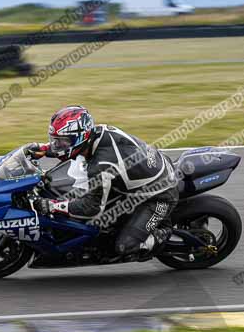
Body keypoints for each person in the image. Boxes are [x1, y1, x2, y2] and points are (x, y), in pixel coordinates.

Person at [26, 106, 178, 261]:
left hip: (160, 195)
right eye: (54, 140)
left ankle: (163, 234)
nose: (57, 145)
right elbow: (69, 148)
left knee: (125, 246)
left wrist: (52, 206)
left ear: (80, 137)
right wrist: (45, 149)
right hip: (146, 174)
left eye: (61, 142)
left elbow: (91, 208)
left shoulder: (101, 165)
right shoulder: (97, 132)